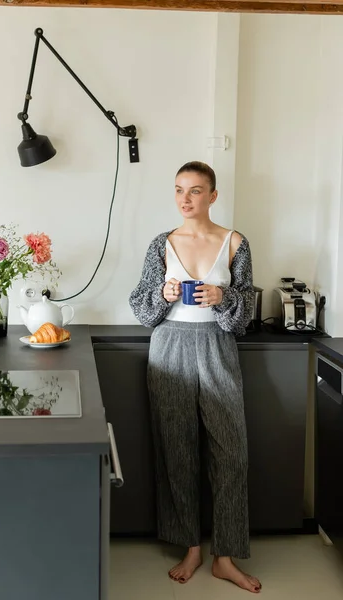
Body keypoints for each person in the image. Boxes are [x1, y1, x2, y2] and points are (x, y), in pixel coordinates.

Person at [129, 161, 261, 593]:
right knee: (177, 449)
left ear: (213, 195)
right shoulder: (161, 245)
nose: (186, 199)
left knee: (231, 451)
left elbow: (243, 318)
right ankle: (191, 547)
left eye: (196, 190)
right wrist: (162, 294)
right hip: (169, 347)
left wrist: (223, 296)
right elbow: (141, 308)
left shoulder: (235, 243)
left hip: (217, 346)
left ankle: (225, 556)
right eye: (180, 190)